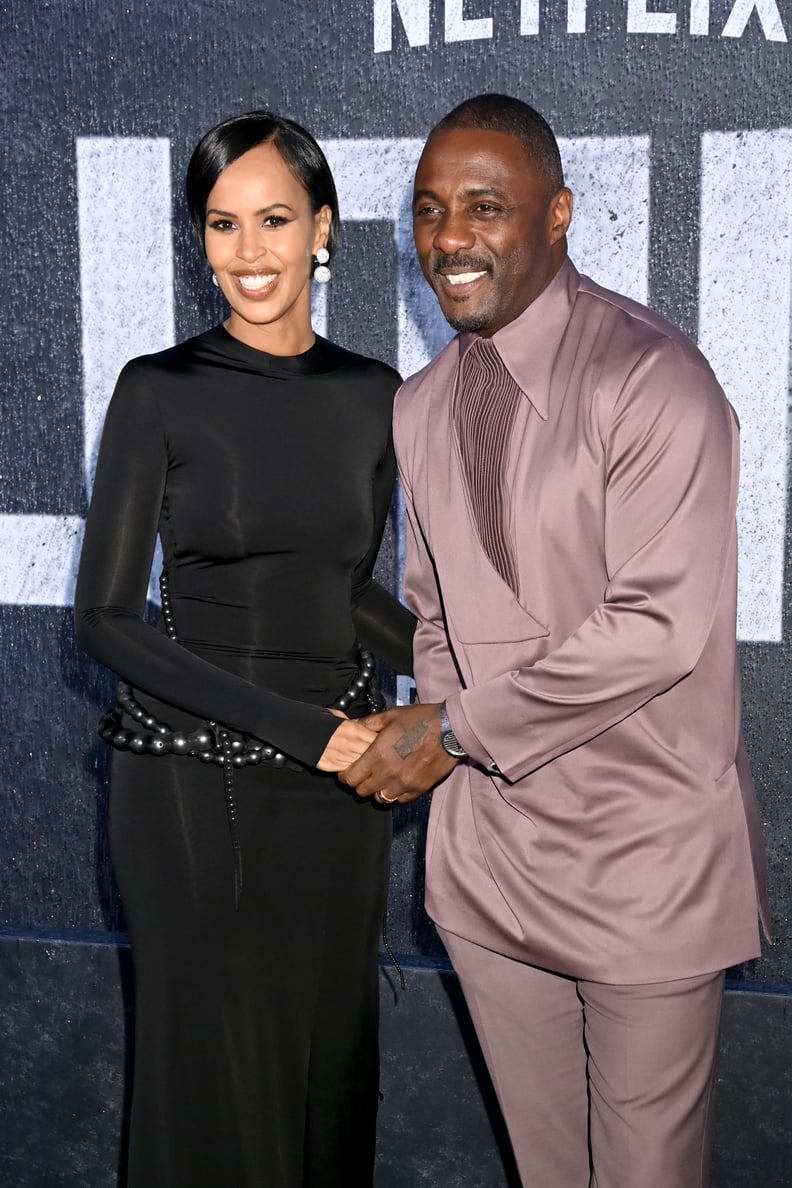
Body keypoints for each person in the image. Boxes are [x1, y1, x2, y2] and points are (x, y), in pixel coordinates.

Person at [341, 94, 771, 1187]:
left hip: (643, 867)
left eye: (486, 206)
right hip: (492, 872)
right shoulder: (422, 404)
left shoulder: (652, 378)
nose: (450, 237)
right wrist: (459, 741)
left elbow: (658, 629)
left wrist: (455, 728)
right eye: (431, 210)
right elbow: (435, 611)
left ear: (560, 215)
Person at [74, 111, 414, 1188]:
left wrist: (476, 676)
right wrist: (302, 733)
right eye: (223, 225)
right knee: (217, 1089)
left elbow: (345, 588)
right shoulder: (157, 390)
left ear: (324, 228)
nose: (248, 251)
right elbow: (106, 619)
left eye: (274, 220)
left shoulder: (374, 397)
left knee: (325, 1071)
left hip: (340, 782)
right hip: (186, 784)